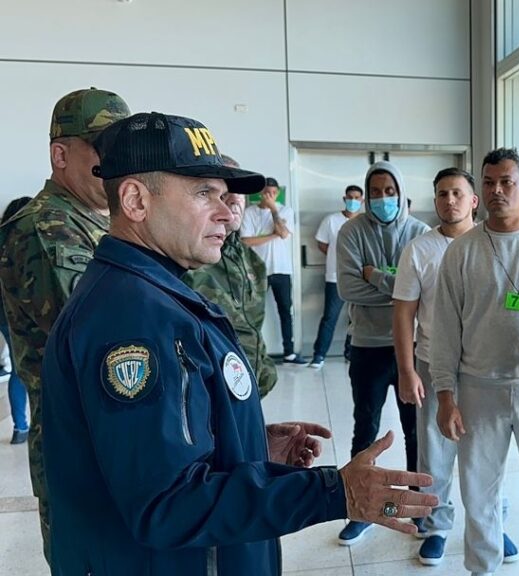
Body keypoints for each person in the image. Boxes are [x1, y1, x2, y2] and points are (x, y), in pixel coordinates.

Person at [41, 111, 438, 575]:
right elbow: (166, 506)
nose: (229, 213)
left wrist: (242, 446)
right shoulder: (132, 320)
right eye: (204, 192)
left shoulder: (154, 292)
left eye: (226, 195)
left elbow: (151, 455)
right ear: (135, 200)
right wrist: (335, 492)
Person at [0, 87, 131, 561]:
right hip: (79, 449)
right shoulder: (47, 227)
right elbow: (107, 342)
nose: (115, 161)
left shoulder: (95, 222)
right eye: (101, 147)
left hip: (113, 439)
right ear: (61, 154)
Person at [432, 148, 519, 576]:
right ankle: (482, 568)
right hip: (478, 386)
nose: (497, 190)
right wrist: (446, 396)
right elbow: (444, 330)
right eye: (489, 183)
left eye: (507, 182)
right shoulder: (462, 251)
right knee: (479, 491)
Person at [336, 160, 430, 544]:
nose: (382, 199)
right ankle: (360, 510)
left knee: (416, 432)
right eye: (375, 192)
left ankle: (419, 507)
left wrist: (373, 275)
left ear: (401, 192)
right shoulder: (351, 232)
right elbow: (347, 289)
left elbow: (424, 292)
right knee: (366, 428)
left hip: (412, 347)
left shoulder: (420, 232)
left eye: (389, 191)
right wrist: (401, 290)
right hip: (368, 347)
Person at [394, 167, 479, 564]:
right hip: (432, 363)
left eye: (458, 193)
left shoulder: (490, 244)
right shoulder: (419, 250)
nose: (450, 200)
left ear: (473, 200)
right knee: (436, 452)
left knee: (485, 452)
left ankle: (487, 524)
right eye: (442, 193)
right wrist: (407, 370)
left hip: (484, 368)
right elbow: (403, 315)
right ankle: (437, 525)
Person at [185, 155, 278, 399]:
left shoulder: (251, 260)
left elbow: (252, 328)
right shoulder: (189, 258)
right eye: (225, 191)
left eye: (240, 192)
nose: (235, 199)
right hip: (211, 396)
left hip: (251, 387)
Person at [241, 177, 303, 364]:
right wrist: (272, 235)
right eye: (267, 192)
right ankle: (253, 354)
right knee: (253, 312)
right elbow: (246, 241)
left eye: (273, 193)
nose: (270, 196)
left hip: (281, 270)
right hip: (257, 270)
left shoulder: (285, 210)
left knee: (285, 311)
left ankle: (289, 352)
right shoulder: (250, 212)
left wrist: (274, 209)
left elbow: (284, 233)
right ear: (261, 193)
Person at [309, 184, 363, 369]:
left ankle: (350, 352)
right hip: (335, 277)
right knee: (330, 317)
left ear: (362, 201)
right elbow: (322, 245)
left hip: (360, 278)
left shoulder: (365, 222)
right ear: (344, 199)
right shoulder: (331, 220)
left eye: (357, 198)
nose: (353, 201)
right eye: (350, 197)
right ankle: (319, 355)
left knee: (357, 319)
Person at [0, 196, 32, 444]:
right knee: (22, 369)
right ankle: (24, 427)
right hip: (18, 313)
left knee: (14, 368)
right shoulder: (25, 241)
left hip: (3, 314)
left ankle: (21, 427)